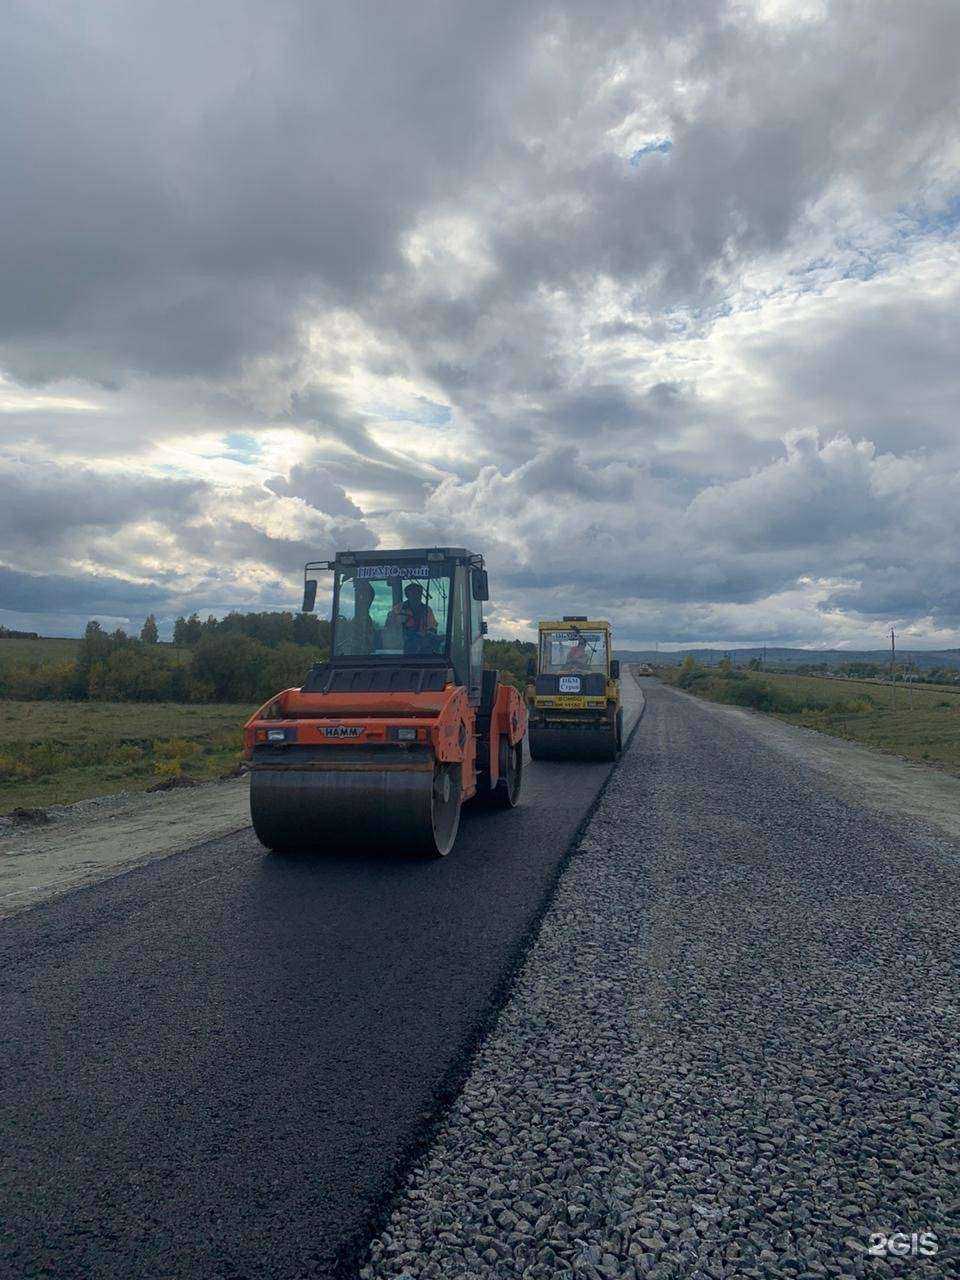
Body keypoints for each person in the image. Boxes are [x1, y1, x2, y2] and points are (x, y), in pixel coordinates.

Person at [391, 582, 438, 655]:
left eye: (419, 594)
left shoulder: (427, 610)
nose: (417, 596)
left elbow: (433, 628)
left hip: (423, 649)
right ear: (407, 595)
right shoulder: (398, 609)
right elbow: (389, 629)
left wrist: (427, 637)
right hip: (401, 649)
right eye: (413, 594)